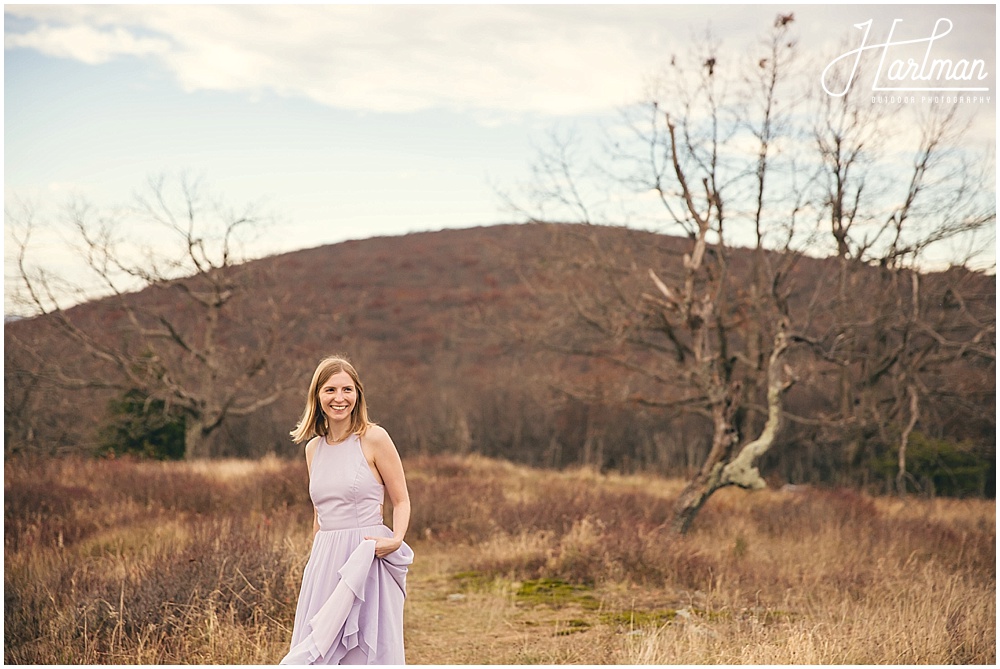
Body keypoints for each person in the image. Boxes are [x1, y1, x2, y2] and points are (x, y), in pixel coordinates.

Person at [280, 356, 413, 665]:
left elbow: (402, 499)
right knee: (319, 648)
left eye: (347, 389)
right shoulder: (313, 449)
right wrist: (314, 562)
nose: (339, 398)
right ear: (317, 396)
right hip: (325, 560)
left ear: (358, 395)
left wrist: (395, 539)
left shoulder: (375, 438)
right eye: (330, 390)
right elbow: (319, 515)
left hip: (367, 558)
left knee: (366, 650)